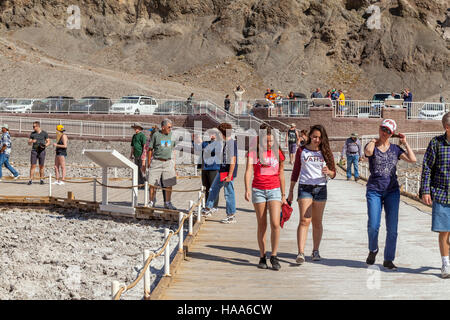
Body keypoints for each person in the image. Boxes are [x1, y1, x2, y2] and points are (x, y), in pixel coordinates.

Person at [364, 119, 416, 270]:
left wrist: (405, 143)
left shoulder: (395, 149)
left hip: (392, 191)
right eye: (382, 129)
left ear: (391, 133)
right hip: (374, 190)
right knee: (374, 225)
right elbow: (368, 152)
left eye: (388, 131)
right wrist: (374, 140)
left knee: (392, 228)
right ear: (379, 128)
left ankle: (388, 259)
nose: (384, 133)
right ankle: (373, 249)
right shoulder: (372, 145)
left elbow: (412, 159)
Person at [288, 124, 336, 264]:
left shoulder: (325, 151)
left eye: (319, 138)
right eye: (314, 136)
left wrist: (329, 172)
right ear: (309, 136)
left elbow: (333, 173)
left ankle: (315, 250)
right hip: (305, 187)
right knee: (304, 220)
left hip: (321, 188)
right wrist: (290, 191)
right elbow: (296, 171)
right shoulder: (302, 150)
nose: (316, 140)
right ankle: (300, 252)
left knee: (317, 221)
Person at [245, 124, 287, 271]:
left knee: (275, 223)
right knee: (262, 224)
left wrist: (283, 194)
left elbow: (281, 173)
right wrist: (247, 189)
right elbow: (249, 170)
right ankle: (262, 256)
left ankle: (274, 255)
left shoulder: (278, 152)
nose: (269, 144)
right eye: (266, 141)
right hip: (258, 189)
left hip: (274, 189)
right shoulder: (253, 152)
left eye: (271, 141)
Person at [420, 112, 450, 278]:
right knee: (444, 231)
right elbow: (427, 168)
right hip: (441, 194)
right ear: (447, 128)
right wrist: (425, 190)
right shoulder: (436, 143)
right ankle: (446, 264)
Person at [202, 123, 238, 224]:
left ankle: (231, 215)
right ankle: (208, 208)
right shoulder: (226, 142)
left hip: (227, 172)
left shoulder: (231, 143)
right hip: (222, 171)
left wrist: (230, 175)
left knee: (228, 193)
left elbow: (233, 160)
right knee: (213, 188)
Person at [147, 119, 177, 210]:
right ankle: (152, 202)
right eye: (169, 127)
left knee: (169, 183)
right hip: (156, 162)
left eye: (171, 127)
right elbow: (150, 149)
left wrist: (174, 163)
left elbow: (172, 150)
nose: (170, 129)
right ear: (163, 127)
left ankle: (167, 203)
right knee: (152, 183)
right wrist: (148, 162)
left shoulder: (172, 135)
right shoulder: (156, 135)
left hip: (168, 163)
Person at [194, 130, 221, 216]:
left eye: (213, 133)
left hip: (214, 168)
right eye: (210, 133)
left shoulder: (219, 143)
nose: (211, 135)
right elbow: (197, 149)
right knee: (206, 188)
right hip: (205, 168)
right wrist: (194, 141)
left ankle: (214, 207)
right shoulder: (206, 143)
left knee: (213, 188)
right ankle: (207, 206)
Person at [130, 123, 147, 189]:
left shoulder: (142, 136)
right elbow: (132, 146)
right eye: (135, 128)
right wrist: (131, 154)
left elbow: (144, 146)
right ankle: (138, 183)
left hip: (141, 154)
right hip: (136, 155)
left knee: (142, 169)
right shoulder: (134, 136)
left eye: (136, 128)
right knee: (136, 169)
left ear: (139, 128)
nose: (135, 129)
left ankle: (143, 183)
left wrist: (143, 154)